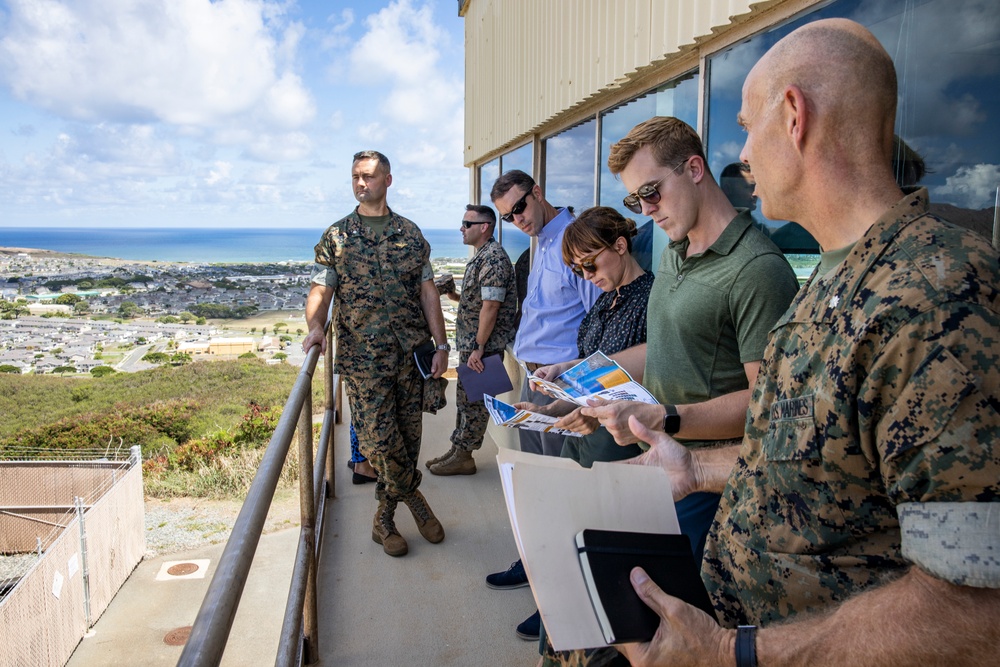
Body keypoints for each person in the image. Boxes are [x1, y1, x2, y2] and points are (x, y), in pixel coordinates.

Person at [617, 19, 1000, 667]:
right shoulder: (836, 276)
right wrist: (694, 468)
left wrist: (731, 651)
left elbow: (976, 607)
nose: (740, 155)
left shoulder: (938, 296)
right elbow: (817, 460)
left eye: (745, 124)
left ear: (793, 116)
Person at [541, 116, 798, 563]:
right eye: (635, 198)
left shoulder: (758, 270)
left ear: (694, 169)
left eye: (651, 192)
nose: (645, 210)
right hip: (655, 463)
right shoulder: (676, 254)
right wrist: (573, 386)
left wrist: (661, 417)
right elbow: (659, 350)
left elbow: (768, 407)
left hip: (705, 483)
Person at [517, 206, 653, 666]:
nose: (586, 275)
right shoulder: (603, 301)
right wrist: (549, 405)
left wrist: (577, 388)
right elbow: (590, 378)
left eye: (591, 264)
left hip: (620, 448)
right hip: (585, 442)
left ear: (620, 245)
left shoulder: (652, 299)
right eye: (577, 269)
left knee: (604, 564)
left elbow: (645, 383)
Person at [302, 150, 448, 558]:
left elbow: (427, 292)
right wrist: (316, 327)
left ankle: (383, 521)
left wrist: (442, 344)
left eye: (368, 176)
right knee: (379, 442)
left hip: (410, 357)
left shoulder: (410, 234)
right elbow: (320, 290)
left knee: (408, 438)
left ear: (387, 179)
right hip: (364, 360)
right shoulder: (338, 235)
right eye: (355, 177)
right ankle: (416, 501)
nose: (360, 183)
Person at [485, 170, 601, 641]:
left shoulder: (573, 241)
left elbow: (597, 323)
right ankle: (536, 570)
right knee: (534, 486)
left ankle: (557, 601)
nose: (517, 220)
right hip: (536, 379)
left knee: (560, 495)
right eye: (506, 217)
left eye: (519, 208)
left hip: (563, 387)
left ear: (538, 192)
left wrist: (576, 390)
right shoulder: (541, 241)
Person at [425, 204, 517, 475]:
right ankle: (458, 449)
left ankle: (465, 457)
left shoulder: (494, 259)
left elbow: (491, 307)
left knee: (475, 403)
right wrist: (454, 295)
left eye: (467, 224)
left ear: (485, 227)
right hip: (475, 347)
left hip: (484, 349)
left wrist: (479, 347)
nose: (461, 229)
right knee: (465, 401)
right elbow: (478, 302)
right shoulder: (483, 256)